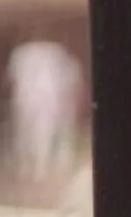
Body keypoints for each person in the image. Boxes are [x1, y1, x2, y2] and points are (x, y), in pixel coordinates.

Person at [6, 39, 84, 181]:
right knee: (35, 135)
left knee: (37, 135)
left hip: (41, 103)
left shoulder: (58, 58)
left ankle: (36, 168)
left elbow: (12, 82)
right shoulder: (52, 56)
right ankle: (35, 168)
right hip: (37, 103)